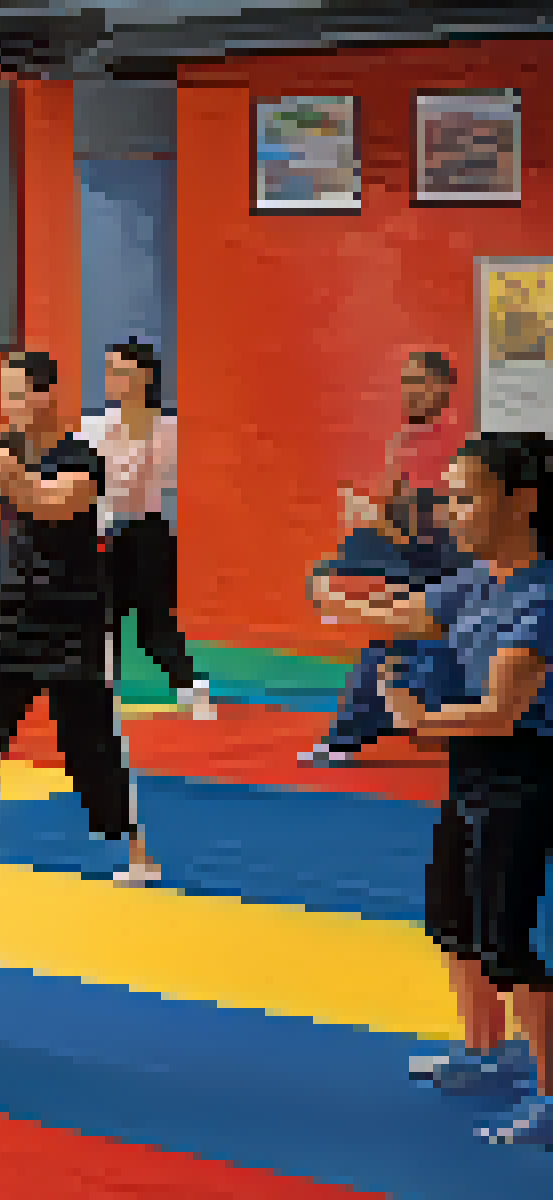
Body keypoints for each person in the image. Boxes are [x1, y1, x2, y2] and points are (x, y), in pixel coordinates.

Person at [319, 432, 553, 1145]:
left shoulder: (539, 596)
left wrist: (418, 719)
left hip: (524, 774)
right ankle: (487, 1052)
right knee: (452, 918)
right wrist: (334, 596)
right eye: (448, 496)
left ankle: (550, 1089)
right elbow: (410, 615)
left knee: (506, 939)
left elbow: (499, 710)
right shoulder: (476, 581)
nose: (451, 511)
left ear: (522, 500)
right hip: (473, 773)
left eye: (464, 496)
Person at [0, 351, 158, 885]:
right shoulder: (7, 450)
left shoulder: (79, 453)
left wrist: (4, 474)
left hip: (72, 609)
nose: (6, 407)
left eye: (15, 395)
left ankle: (136, 852)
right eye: (4, 395)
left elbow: (54, 504)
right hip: (17, 600)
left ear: (44, 395)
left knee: (87, 735)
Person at [307, 350, 476, 766]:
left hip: (446, 560)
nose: (409, 393)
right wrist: (376, 523)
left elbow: (445, 511)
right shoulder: (403, 440)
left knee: (444, 646)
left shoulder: (459, 442)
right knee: (392, 646)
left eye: (419, 384)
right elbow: (392, 503)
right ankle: (348, 735)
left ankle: (352, 735)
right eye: (405, 383)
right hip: (416, 559)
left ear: (442, 389)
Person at [82, 340, 217, 720]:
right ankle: (102, 695)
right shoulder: (94, 426)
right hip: (106, 531)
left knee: (153, 622)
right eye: (108, 369)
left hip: (147, 533)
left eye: (119, 371)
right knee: (102, 619)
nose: (110, 378)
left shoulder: (168, 429)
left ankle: (191, 687)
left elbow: (171, 481)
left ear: (143, 378)